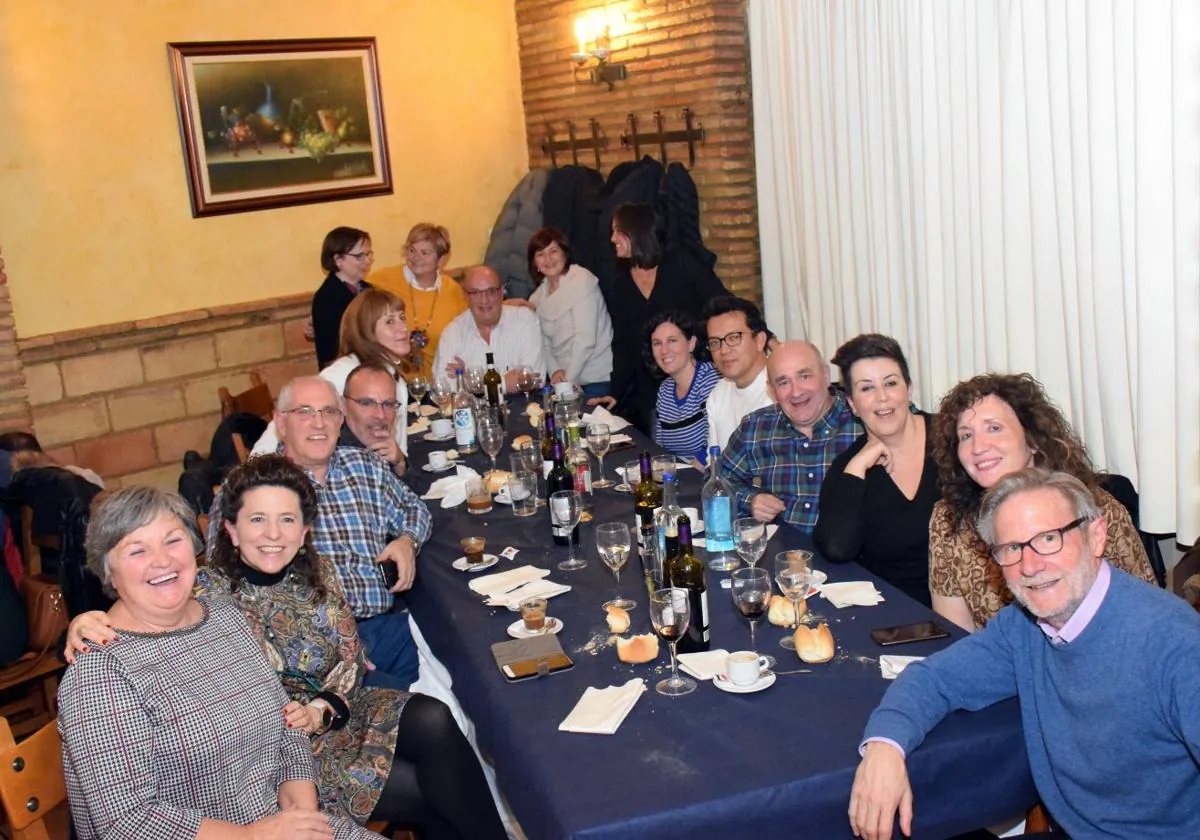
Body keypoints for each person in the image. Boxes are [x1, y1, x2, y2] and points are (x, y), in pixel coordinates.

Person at [66, 457, 507, 840]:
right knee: (434, 790)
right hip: (270, 764)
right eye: (257, 520)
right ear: (230, 531)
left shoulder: (232, 608)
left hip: (300, 733)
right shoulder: (206, 592)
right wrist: (84, 619)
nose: (273, 534)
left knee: (434, 719)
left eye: (172, 541)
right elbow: (125, 817)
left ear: (306, 530)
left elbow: (348, 656)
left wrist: (323, 710)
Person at [848, 468, 1200, 840]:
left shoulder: (1173, 643)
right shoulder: (1024, 626)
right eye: (1012, 548)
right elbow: (933, 678)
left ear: (1096, 536)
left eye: (1048, 538)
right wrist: (884, 748)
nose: (1030, 566)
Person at [57, 485, 378, 839]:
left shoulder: (223, 616)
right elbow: (126, 821)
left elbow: (284, 721)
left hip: (278, 824)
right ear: (108, 571)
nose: (162, 560)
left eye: (172, 540)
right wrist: (253, 836)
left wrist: (302, 808)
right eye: (137, 550)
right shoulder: (101, 672)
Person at [224, 375, 432, 690]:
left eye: (329, 412)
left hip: (382, 626)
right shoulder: (257, 486)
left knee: (458, 657)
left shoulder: (364, 465)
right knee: (422, 711)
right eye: (304, 412)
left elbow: (416, 509)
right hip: (312, 652)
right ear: (281, 422)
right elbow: (224, 582)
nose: (318, 423)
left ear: (341, 421)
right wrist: (332, 651)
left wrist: (407, 540)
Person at [928, 372, 1155, 631]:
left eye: (994, 428)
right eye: (966, 435)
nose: (978, 447)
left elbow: (1146, 616)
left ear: (1032, 440)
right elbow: (957, 635)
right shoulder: (950, 520)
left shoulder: (1097, 510)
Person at [813, 335, 940, 606]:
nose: (882, 398)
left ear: (909, 389)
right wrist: (859, 465)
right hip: (893, 616)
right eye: (867, 388)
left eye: (891, 383)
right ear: (852, 404)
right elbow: (836, 549)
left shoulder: (952, 439)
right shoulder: (848, 467)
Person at [607, 202, 728, 433]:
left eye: (617, 231)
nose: (612, 238)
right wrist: (615, 391)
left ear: (636, 232)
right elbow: (623, 342)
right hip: (649, 391)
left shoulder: (681, 263)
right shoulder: (621, 281)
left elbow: (721, 303)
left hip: (697, 384)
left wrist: (764, 336)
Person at [254, 289, 411, 465]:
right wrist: (256, 472)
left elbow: (399, 449)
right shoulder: (343, 373)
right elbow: (282, 426)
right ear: (366, 331)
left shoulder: (393, 375)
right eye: (390, 321)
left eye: (402, 318)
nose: (403, 328)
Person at [720, 340, 859, 532]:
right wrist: (750, 500)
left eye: (804, 376)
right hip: (780, 555)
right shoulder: (755, 428)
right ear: (771, 390)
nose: (796, 391)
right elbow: (716, 482)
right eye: (783, 382)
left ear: (826, 376)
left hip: (851, 557)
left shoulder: (862, 421)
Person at [368, 223, 468, 380]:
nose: (415, 258)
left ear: (441, 259)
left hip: (439, 383)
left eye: (425, 252)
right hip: (393, 382)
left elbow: (468, 334)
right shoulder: (383, 281)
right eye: (412, 250)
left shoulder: (453, 291)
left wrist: (466, 363)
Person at [526, 227, 613, 399]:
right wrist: (556, 371)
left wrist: (567, 381)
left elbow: (586, 339)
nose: (548, 259)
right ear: (534, 263)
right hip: (563, 381)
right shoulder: (536, 298)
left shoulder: (582, 281)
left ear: (565, 254)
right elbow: (544, 343)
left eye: (553, 251)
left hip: (595, 378)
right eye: (540, 254)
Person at [433, 265, 549, 392]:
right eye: (476, 293)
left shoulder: (525, 320)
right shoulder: (453, 333)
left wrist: (469, 380)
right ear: (466, 296)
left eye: (491, 291)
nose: (484, 300)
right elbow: (443, 387)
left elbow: (536, 378)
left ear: (501, 293)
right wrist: (504, 384)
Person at [644, 310, 720, 462]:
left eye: (672, 341)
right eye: (657, 343)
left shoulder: (709, 380)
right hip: (677, 473)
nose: (664, 350)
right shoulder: (665, 389)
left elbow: (717, 441)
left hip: (704, 474)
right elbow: (660, 448)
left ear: (691, 344)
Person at [703, 296, 772, 451]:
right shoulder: (718, 393)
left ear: (760, 340)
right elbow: (713, 461)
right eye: (715, 342)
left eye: (734, 337)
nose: (724, 350)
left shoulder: (783, 390)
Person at [312, 226, 374, 370]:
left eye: (368, 254)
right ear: (338, 260)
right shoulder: (327, 298)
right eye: (360, 256)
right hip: (346, 372)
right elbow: (335, 349)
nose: (367, 261)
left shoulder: (368, 289)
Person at [339, 364, 407, 476]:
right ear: (343, 406)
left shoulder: (386, 447)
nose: (380, 415)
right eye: (367, 403)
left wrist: (400, 464)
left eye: (388, 404)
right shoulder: (337, 461)